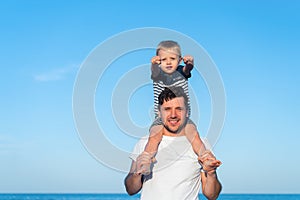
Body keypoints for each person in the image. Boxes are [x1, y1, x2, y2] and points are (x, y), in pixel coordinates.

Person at [124, 87, 222, 200]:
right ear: (159, 112)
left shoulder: (201, 144)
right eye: (167, 109)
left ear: (187, 112)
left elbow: (212, 195)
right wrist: (137, 173)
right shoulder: (144, 143)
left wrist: (211, 173)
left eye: (179, 109)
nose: (173, 115)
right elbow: (130, 190)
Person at [144, 40, 204, 162]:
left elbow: (189, 69)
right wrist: (154, 65)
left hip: (183, 116)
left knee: (194, 134)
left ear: (180, 60)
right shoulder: (158, 74)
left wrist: (190, 62)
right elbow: (154, 71)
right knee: (154, 135)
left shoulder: (182, 72)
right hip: (161, 118)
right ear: (159, 61)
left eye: (172, 58)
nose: (168, 62)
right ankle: (146, 158)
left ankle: (205, 156)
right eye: (164, 59)